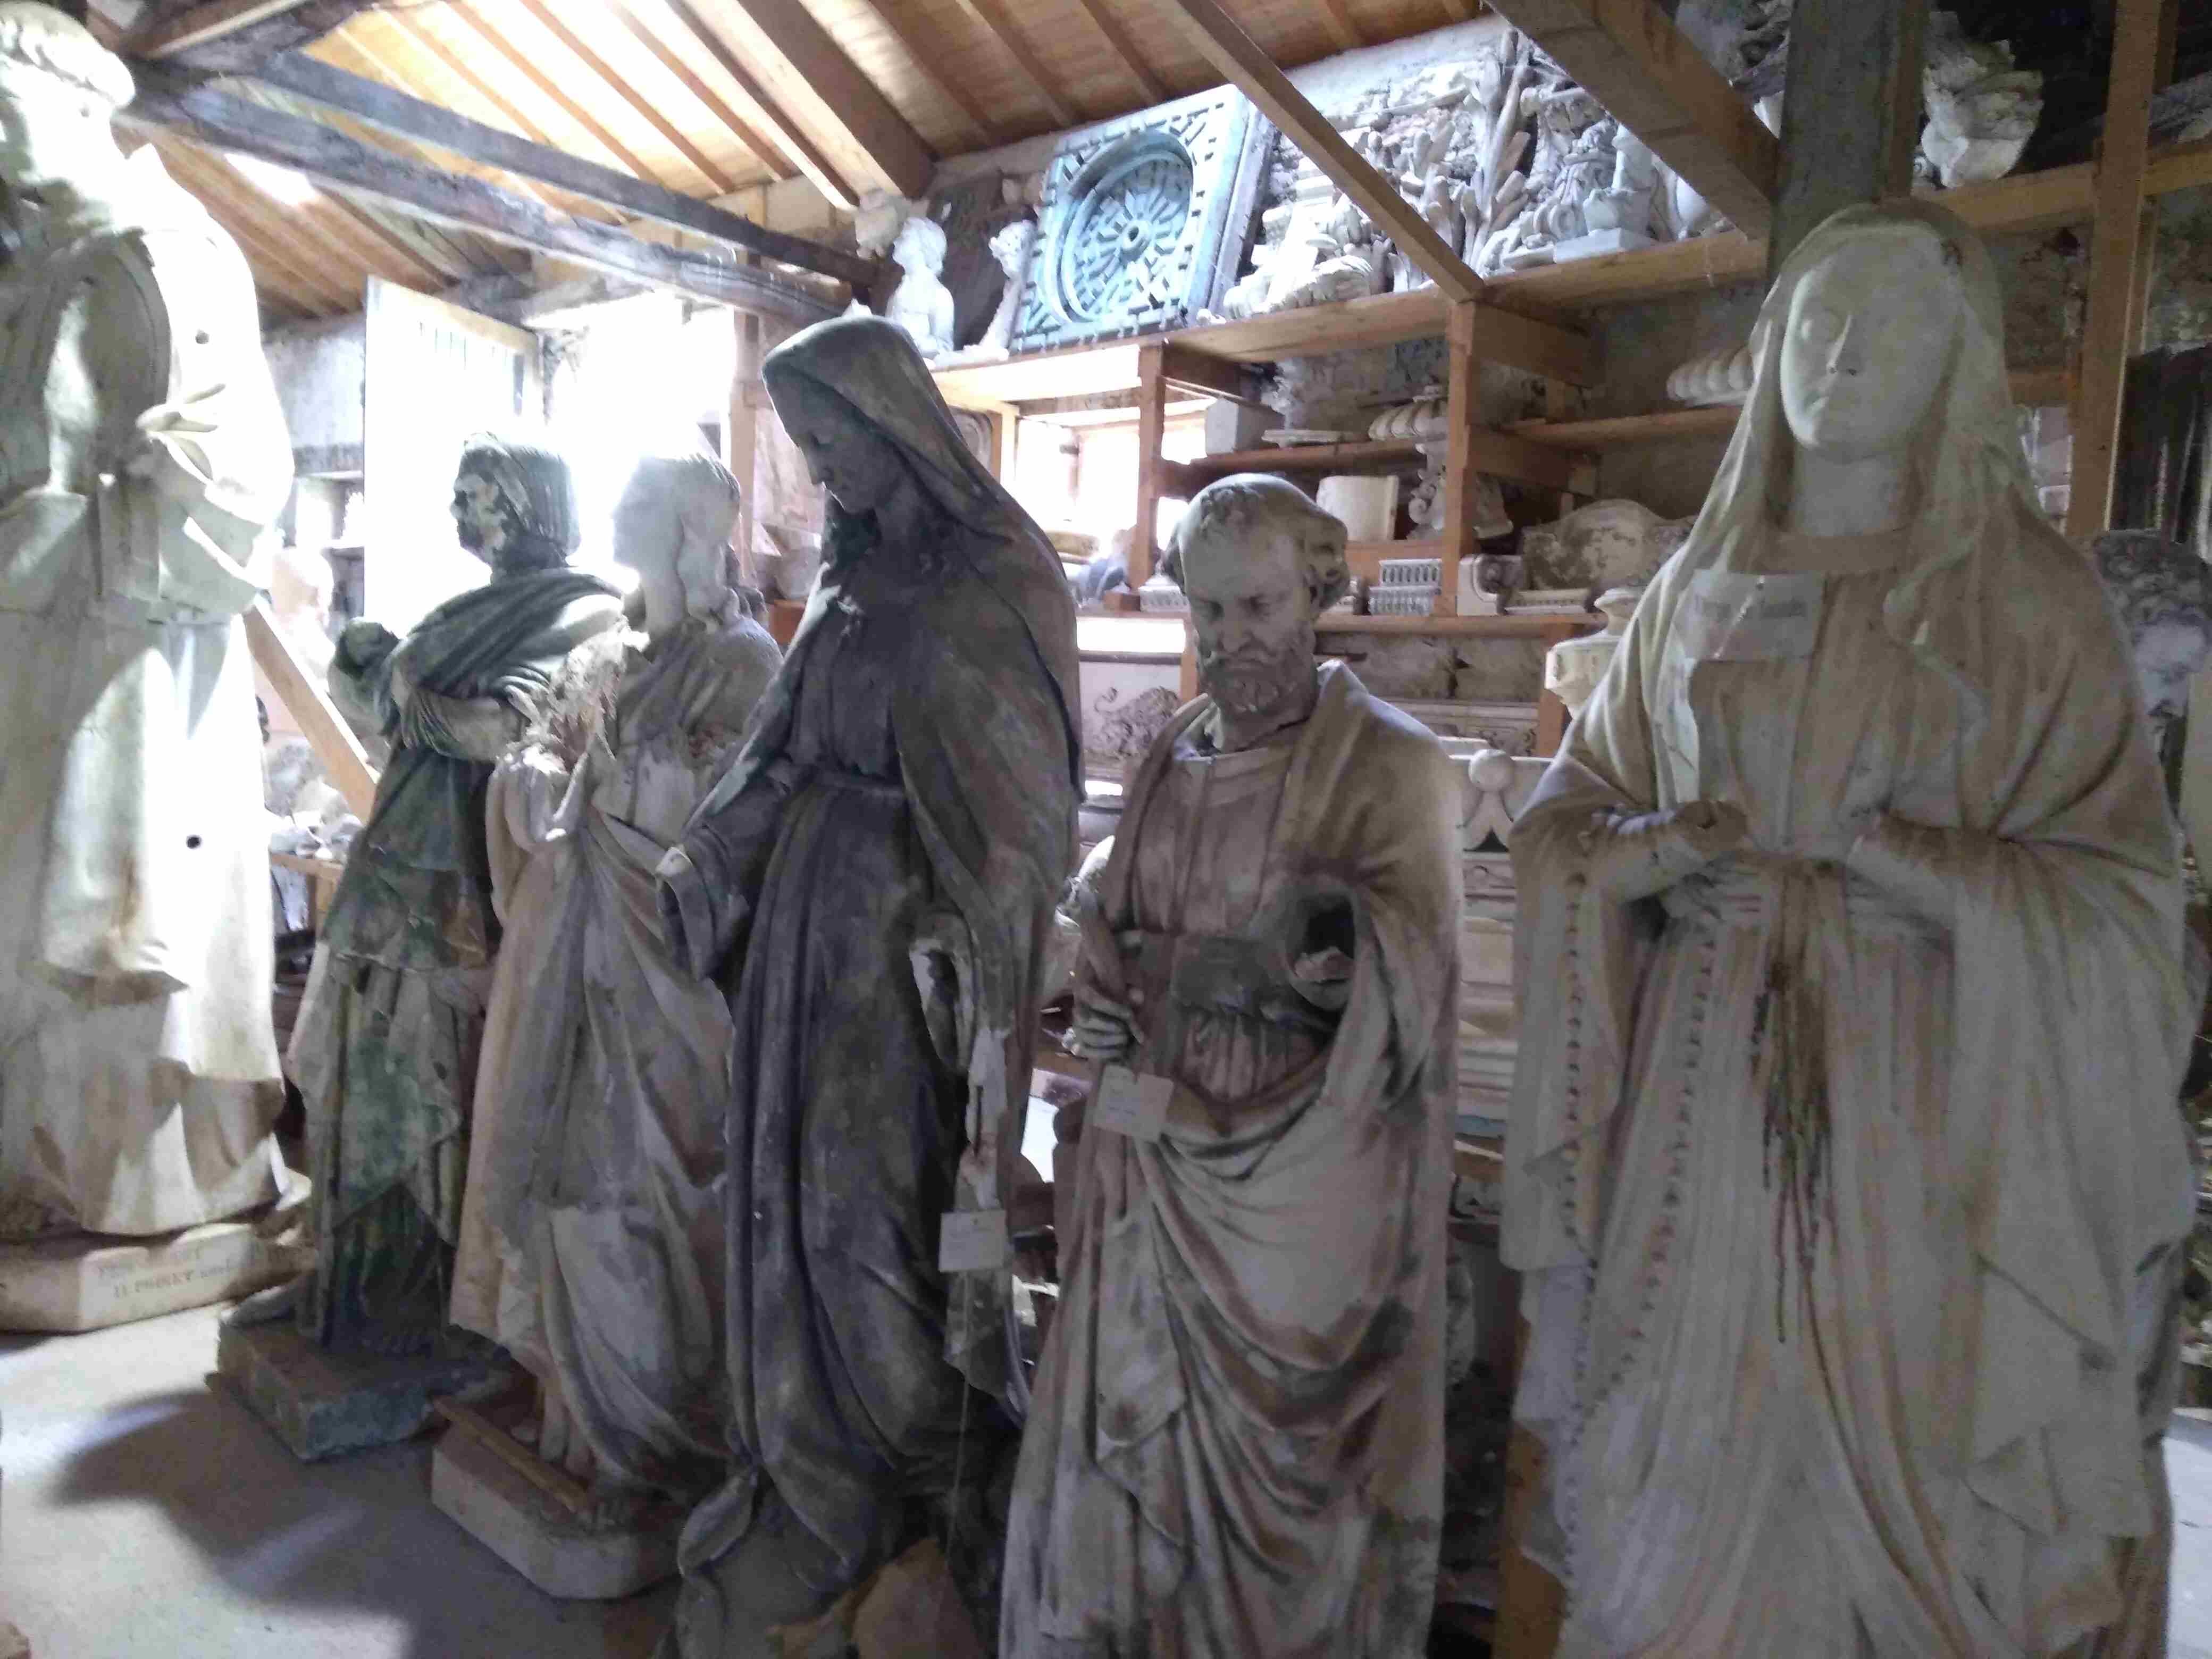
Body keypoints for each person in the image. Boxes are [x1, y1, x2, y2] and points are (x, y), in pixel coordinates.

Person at [1504, 199, 2196, 1656]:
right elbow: (1566, 820)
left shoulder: (2030, 599)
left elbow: (2127, 904)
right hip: (1698, 1095)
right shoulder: (1691, 593)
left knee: (1917, 1478)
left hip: (1920, 1112)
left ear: (1958, 361)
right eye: (1819, 320)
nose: (1844, 352)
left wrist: (1915, 867)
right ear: (1770, 353)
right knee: (1674, 1475)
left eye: (1891, 322)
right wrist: (1659, 853)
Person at [653, 315, 1079, 1654]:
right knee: (779, 1197)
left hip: (903, 959)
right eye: (806, 442)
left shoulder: (998, 580)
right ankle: (807, 1480)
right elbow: (777, 755)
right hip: (803, 938)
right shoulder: (848, 584)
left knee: (867, 1221)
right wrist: (708, 858)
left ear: (897, 425)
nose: (820, 467)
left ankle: (926, 1489)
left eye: (832, 438)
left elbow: (1024, 818)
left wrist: (973, 945)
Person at [1002, 475, 1460, 1657]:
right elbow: (1112, 920)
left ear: (1316, 596)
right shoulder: (1171, 753)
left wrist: (1305, 956)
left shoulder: (1392, 766)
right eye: (1206, 611)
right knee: (1128, 1442)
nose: (1228, 640)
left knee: (1286, 1477)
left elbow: (1412, 1002)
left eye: (1257, 608)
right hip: (1149, 1153)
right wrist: (1107, 996)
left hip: (1291, 1176)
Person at [0, 5, 296, 1240]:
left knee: (117, 943)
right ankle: (38, 1170)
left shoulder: (161, 245)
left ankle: (135, 1187)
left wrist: (99, 519)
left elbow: (240, 471)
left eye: (3, 109)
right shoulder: (30, 271)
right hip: (31, 649)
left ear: (78, 99)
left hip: (130, 657)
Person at [450, 449, 781, 1512]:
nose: (622, 508)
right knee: (573, 1174)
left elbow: (743, 815)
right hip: (579, 946)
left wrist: (629, 784)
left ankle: (653, 1430)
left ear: (691, 527)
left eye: (643, 498)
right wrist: (539, 777)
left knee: (651, 1189)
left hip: (668, 967)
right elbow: (547, 756)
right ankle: (572, 1407)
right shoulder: (612, 650)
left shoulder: (743, 660)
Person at [272, 438, 623, 1355]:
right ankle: (345, 1277)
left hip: (466, 881)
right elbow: (402, 718)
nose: (461, 515)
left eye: (479, 497)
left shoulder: (587, 611)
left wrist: (403, 689)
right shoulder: (466, 608)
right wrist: (371, 676)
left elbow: (507, 732)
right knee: (359, 1072)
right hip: (396, 858)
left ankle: (421, 1306)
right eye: (459, 497)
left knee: (437, 1083)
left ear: (534, 503)